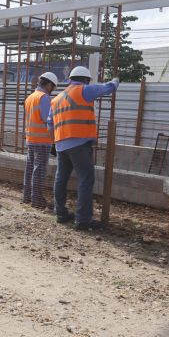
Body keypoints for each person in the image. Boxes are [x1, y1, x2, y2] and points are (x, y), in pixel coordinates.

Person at [47, 66, 119, 230]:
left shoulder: (56, 99)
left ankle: (60, 213)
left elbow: (49, 124)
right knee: (86, 179)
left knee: (61, 179)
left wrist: (54, 143)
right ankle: (83, 220)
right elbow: (108, 88)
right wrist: (116, 80)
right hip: (79, 143)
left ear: (71, 78)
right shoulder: (84, 90)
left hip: (60, 145)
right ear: (86, 79)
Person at [22, 72, 58, 209]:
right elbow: (47, 120)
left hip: (31, 138)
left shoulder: (30, 97)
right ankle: (37, 201)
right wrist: (54, 140)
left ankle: (27, 197)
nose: (52, 89)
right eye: (52, 87)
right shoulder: (44, 98)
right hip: (42, 140)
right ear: (49, 85)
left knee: (30, 168)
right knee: (39, 170)